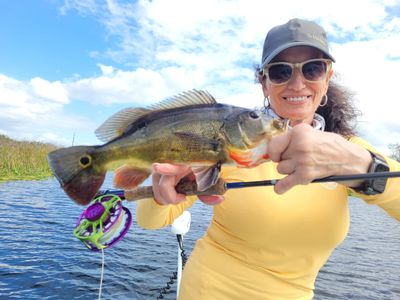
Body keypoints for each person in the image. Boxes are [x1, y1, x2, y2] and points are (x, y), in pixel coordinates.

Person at [134, 18, 400, 299]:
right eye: (280, 72)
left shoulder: (350, 150)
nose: (297, 84)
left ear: (327, 77)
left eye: (312, 69)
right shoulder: (232, 138)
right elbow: (151, 222)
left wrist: (365, 169)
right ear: (264, 82)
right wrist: (161, 194)